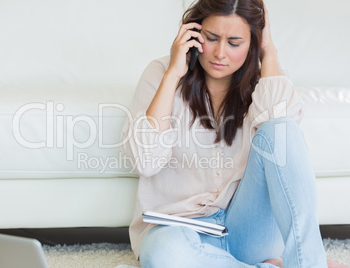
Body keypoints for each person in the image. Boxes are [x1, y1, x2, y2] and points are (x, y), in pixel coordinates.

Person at [121, 0, 348, 267]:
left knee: (282, 129)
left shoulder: (266, 82)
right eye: (212, 38)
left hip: (247, 232)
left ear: (252, 42)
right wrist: (173, 74)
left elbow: (282, 141)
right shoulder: (160, 74)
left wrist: (269, 52)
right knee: (164, 255)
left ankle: (308, 262)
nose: (219, 53)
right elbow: (146, 161)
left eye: (235, 42)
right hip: (179, 230)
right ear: (193, 33)